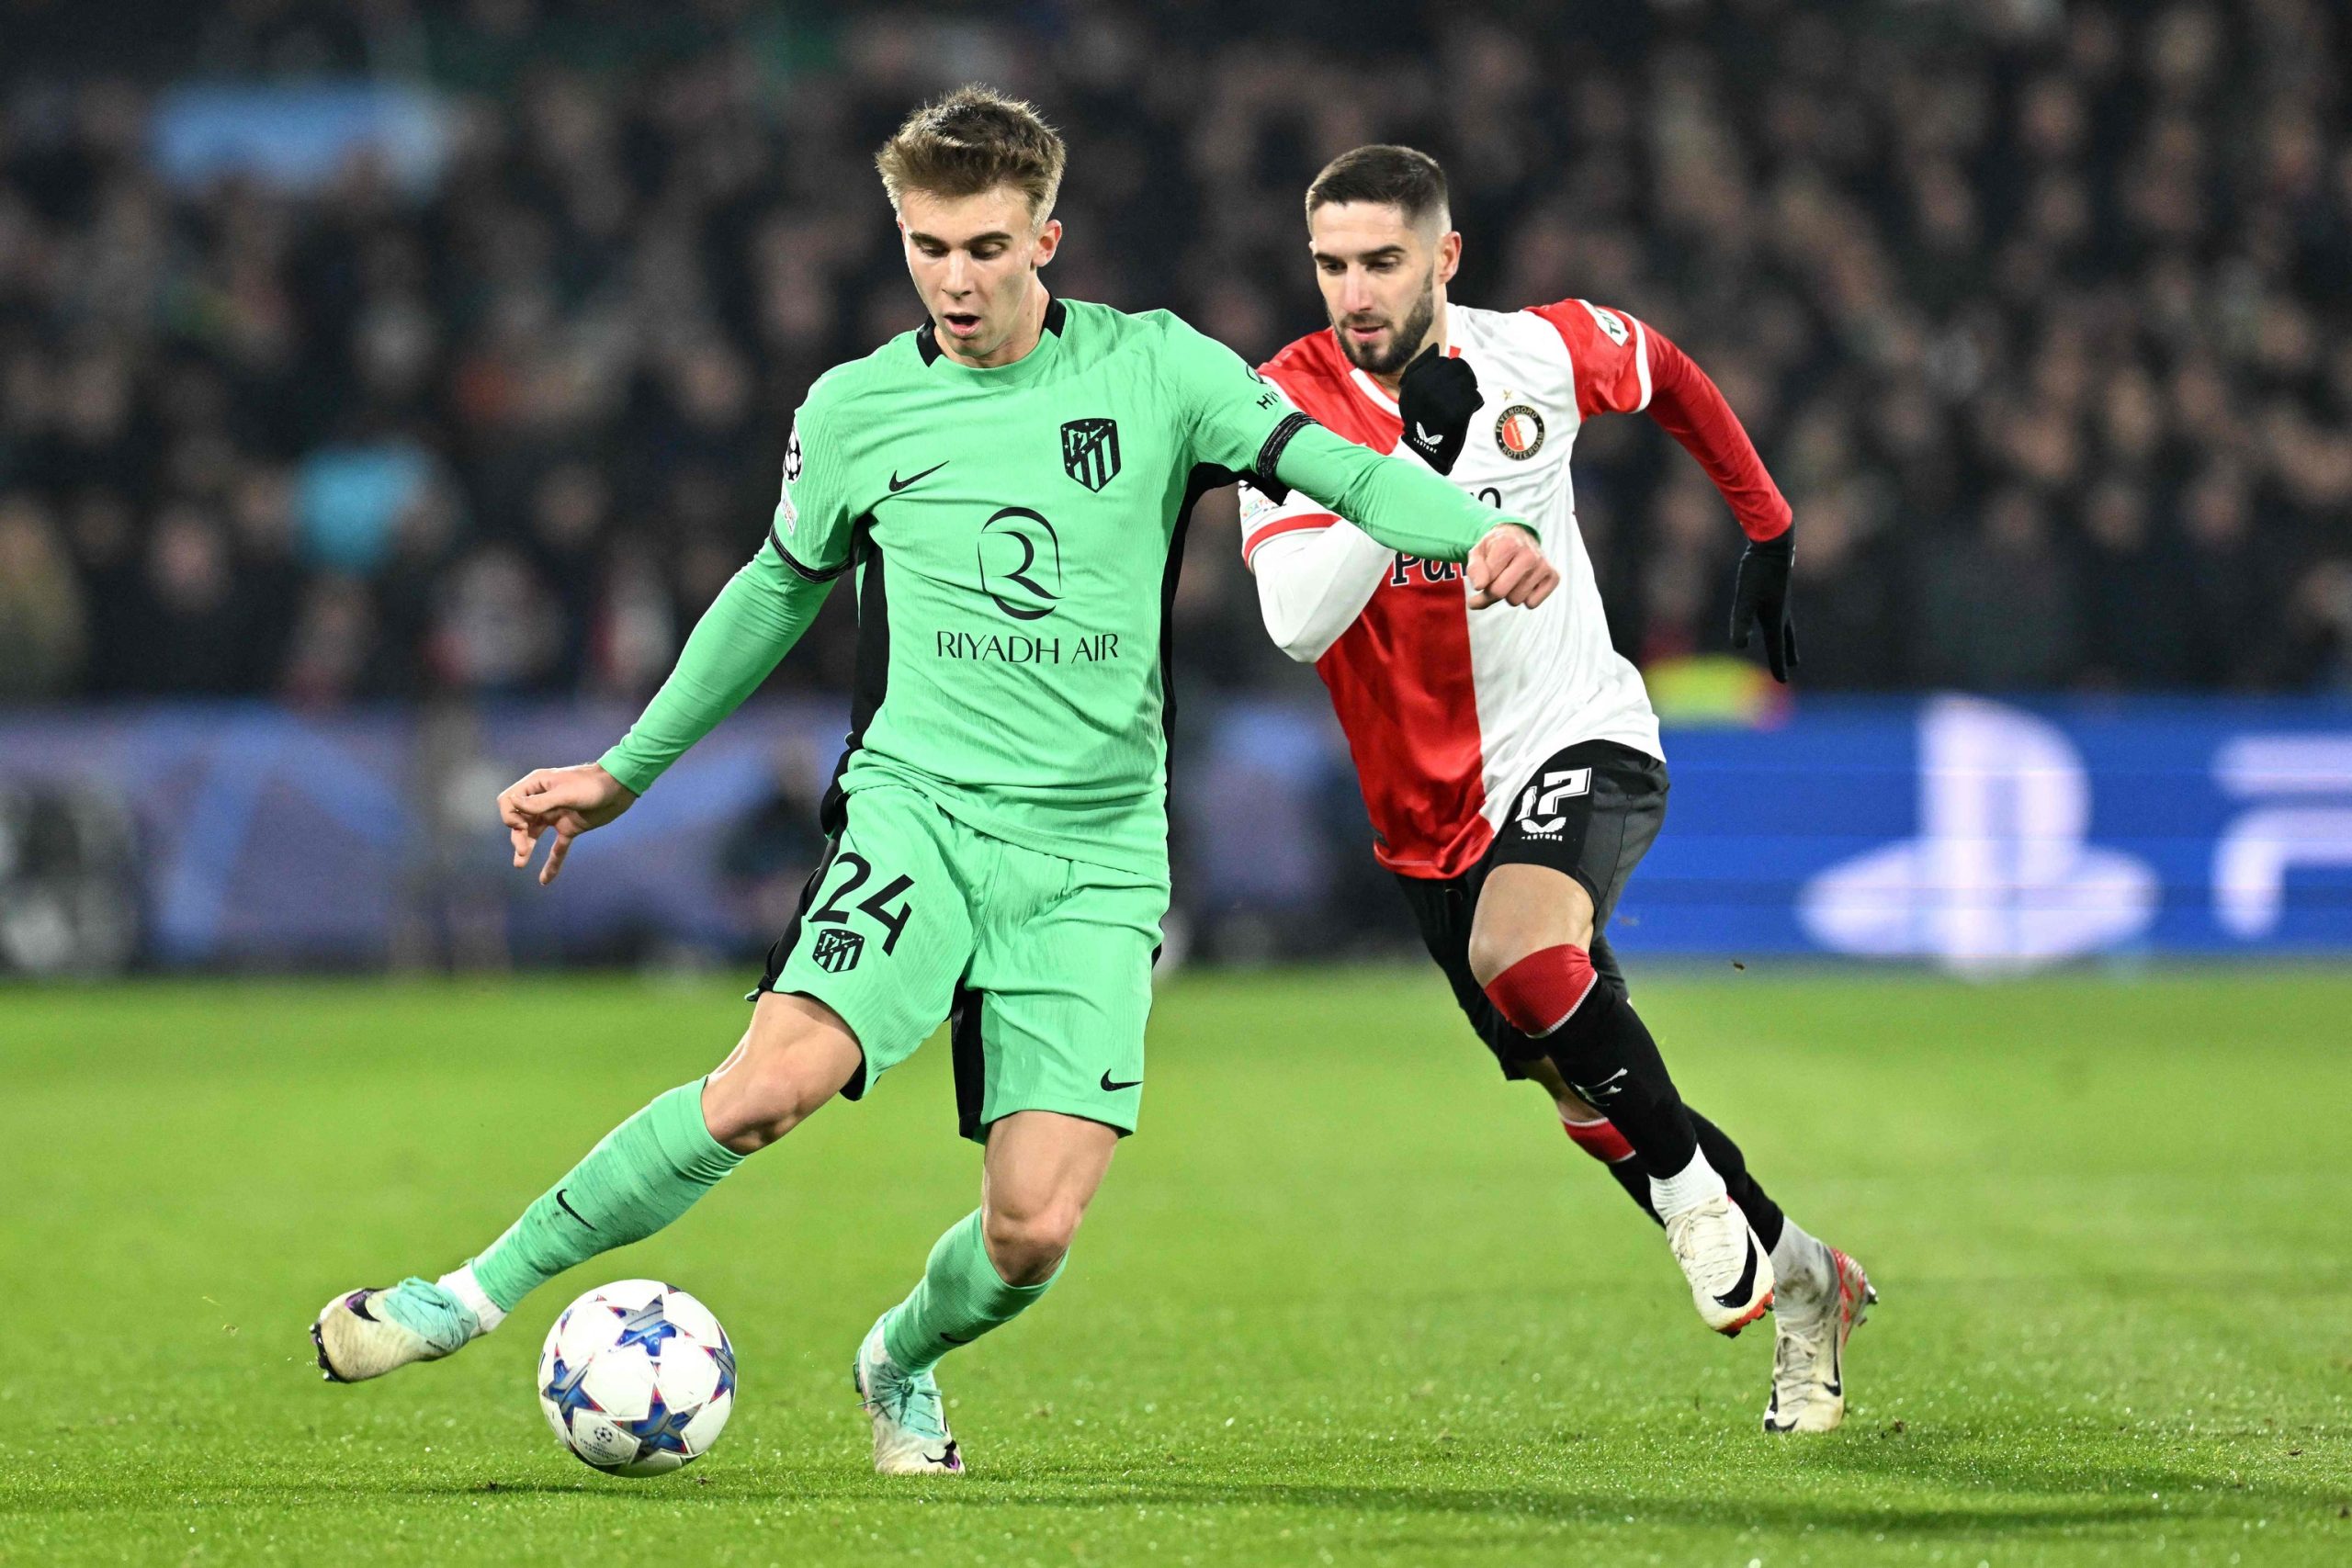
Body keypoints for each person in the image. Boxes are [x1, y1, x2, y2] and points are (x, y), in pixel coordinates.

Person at [310, 91, 1558, 1475]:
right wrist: (622, 773)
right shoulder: (858, 408)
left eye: (983, 247)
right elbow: (773, 593)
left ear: (1046, 241)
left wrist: (1476, 538)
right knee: (763, 1091)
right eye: (926, 247)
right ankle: (462, 1296)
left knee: (1031, 1231)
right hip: (920, 811)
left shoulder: (1160, 373)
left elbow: (1357, 474)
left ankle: (899, 1356)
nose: (953, 280)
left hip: (1094, 851)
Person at [1237, 145, 1871, 1434]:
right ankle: (1806, 1278)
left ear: (1443, 259)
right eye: (1332, 264)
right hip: (1423, 822)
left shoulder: (1539, 353)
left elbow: (1671, 372)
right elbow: (1301, 619)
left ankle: (1698, 1202)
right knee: (1584, 1091)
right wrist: (1403, 477)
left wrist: (1768, 525)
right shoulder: (1277, 408)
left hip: (1580, 735)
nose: (1356, 292)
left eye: (1383, 262)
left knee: (1527, 957)